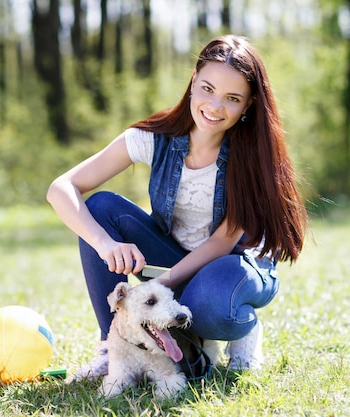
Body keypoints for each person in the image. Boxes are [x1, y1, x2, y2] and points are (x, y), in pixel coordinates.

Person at [47, 34, 308, 380]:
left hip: (235, 266)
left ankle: (243, 330)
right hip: (177, 259)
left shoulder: (250, 157)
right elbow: (61, 188)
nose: (215, 107)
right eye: (207, 89)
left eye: (232, 98)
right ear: (193, 82)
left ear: (247, 106)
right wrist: (105, 244)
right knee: (100, 207)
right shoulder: (154, 139)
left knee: (209, 307)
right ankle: (113, 349)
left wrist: (158, 287)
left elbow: (220, 242)